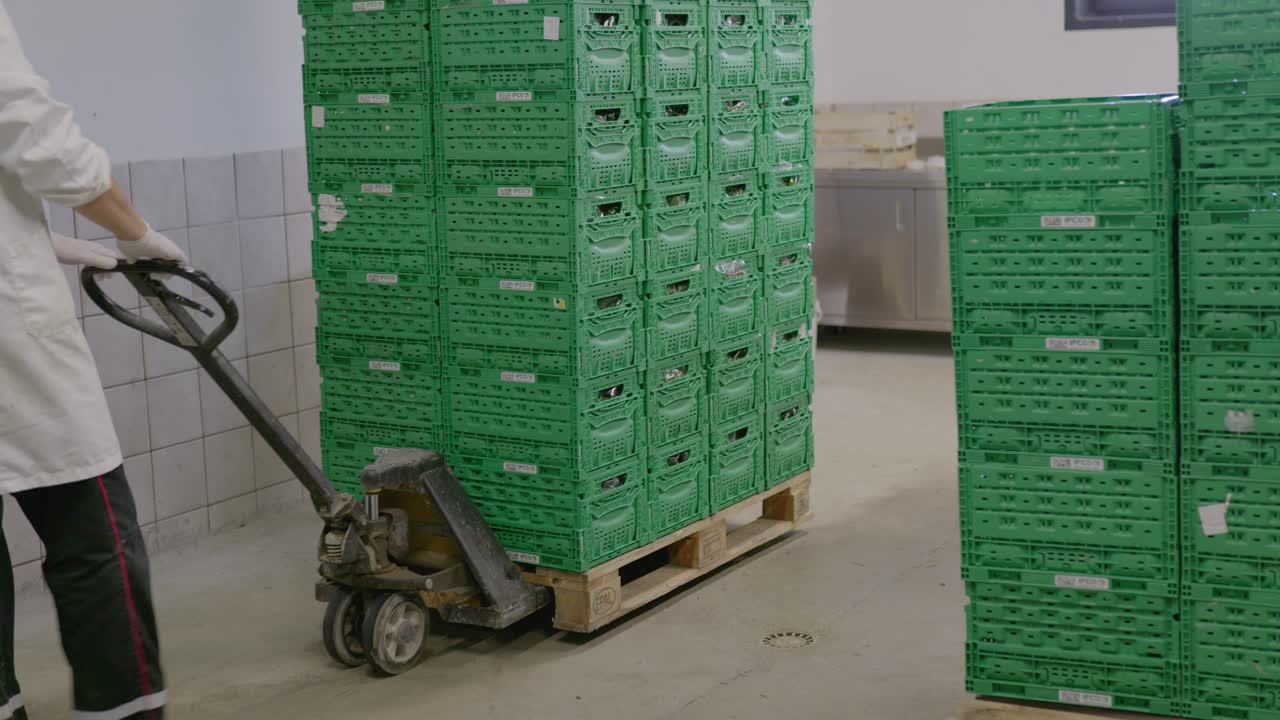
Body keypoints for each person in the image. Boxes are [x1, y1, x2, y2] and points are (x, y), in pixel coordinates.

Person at [0, 3, 189, 719]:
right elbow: (35, 136)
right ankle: (125, 710)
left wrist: (38, 241)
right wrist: (134, 232)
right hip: (10, 340)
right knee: (93, 534)